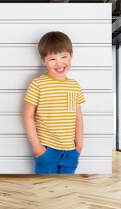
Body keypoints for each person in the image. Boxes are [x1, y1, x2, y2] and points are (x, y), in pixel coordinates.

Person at [23, 31, 85, 174]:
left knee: (66, 190)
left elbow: (77, 117)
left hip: (71, 151)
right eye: (52, 59)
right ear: (44, 60)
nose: (59, 63)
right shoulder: (38, 84)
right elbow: (27, 116)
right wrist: (37, 148)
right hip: (47, 150)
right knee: (46, 190)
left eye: (64, 57)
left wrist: (79, 145)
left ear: (71, 56)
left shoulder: (74, 85)